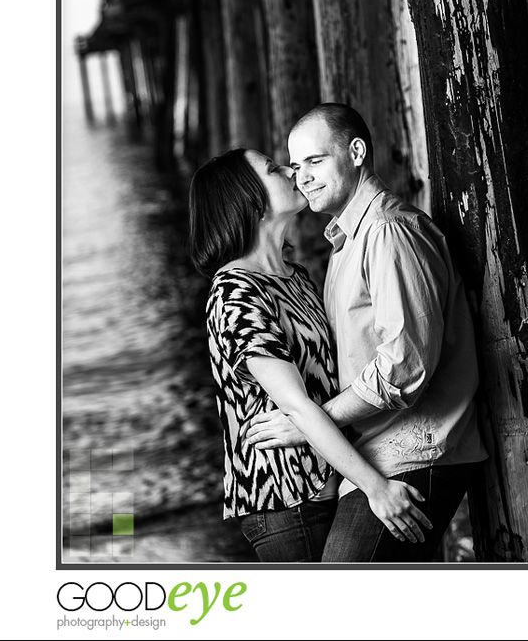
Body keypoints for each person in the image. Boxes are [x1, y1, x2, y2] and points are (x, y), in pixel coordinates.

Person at [245, 104, 488, 562]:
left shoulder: (388, 232)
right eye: (295, 167)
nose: (301, 178)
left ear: (356, 152)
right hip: (374, 457)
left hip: (418, 450)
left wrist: (311, 422)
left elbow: (404, 367)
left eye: (315, 162)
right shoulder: (346, 242)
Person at [188, 146, 432, 562]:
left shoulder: (294, 276)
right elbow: (298, 406)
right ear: (249, 199)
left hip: (329, 481)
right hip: (285, 503)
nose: (290, 170)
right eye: (273, 168)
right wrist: (377, 488)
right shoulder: (234, 291)